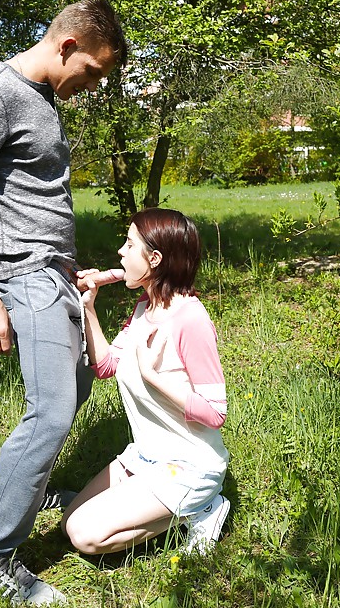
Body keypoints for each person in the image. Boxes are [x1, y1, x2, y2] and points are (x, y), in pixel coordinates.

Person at [0, 0, 127, 606]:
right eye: (92, 71)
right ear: (67, 47)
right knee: (53, 410)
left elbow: (28, 197)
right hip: (22, 276)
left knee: (80, 382)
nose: (92, 85)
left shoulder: (40, 99)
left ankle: (31, 490)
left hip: (56, 273)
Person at [61, 208, 231, 557]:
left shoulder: (190, 319)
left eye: (129, 244)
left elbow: (215, 413)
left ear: (154, 259)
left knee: (84, 536)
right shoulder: (145, 307)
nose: (120, 253)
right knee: (68, 520)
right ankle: (176, 508)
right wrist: (88, 307)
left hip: (190, 467)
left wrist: (154, 378)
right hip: (146, 457)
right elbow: (107, 366)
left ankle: (202, 509)